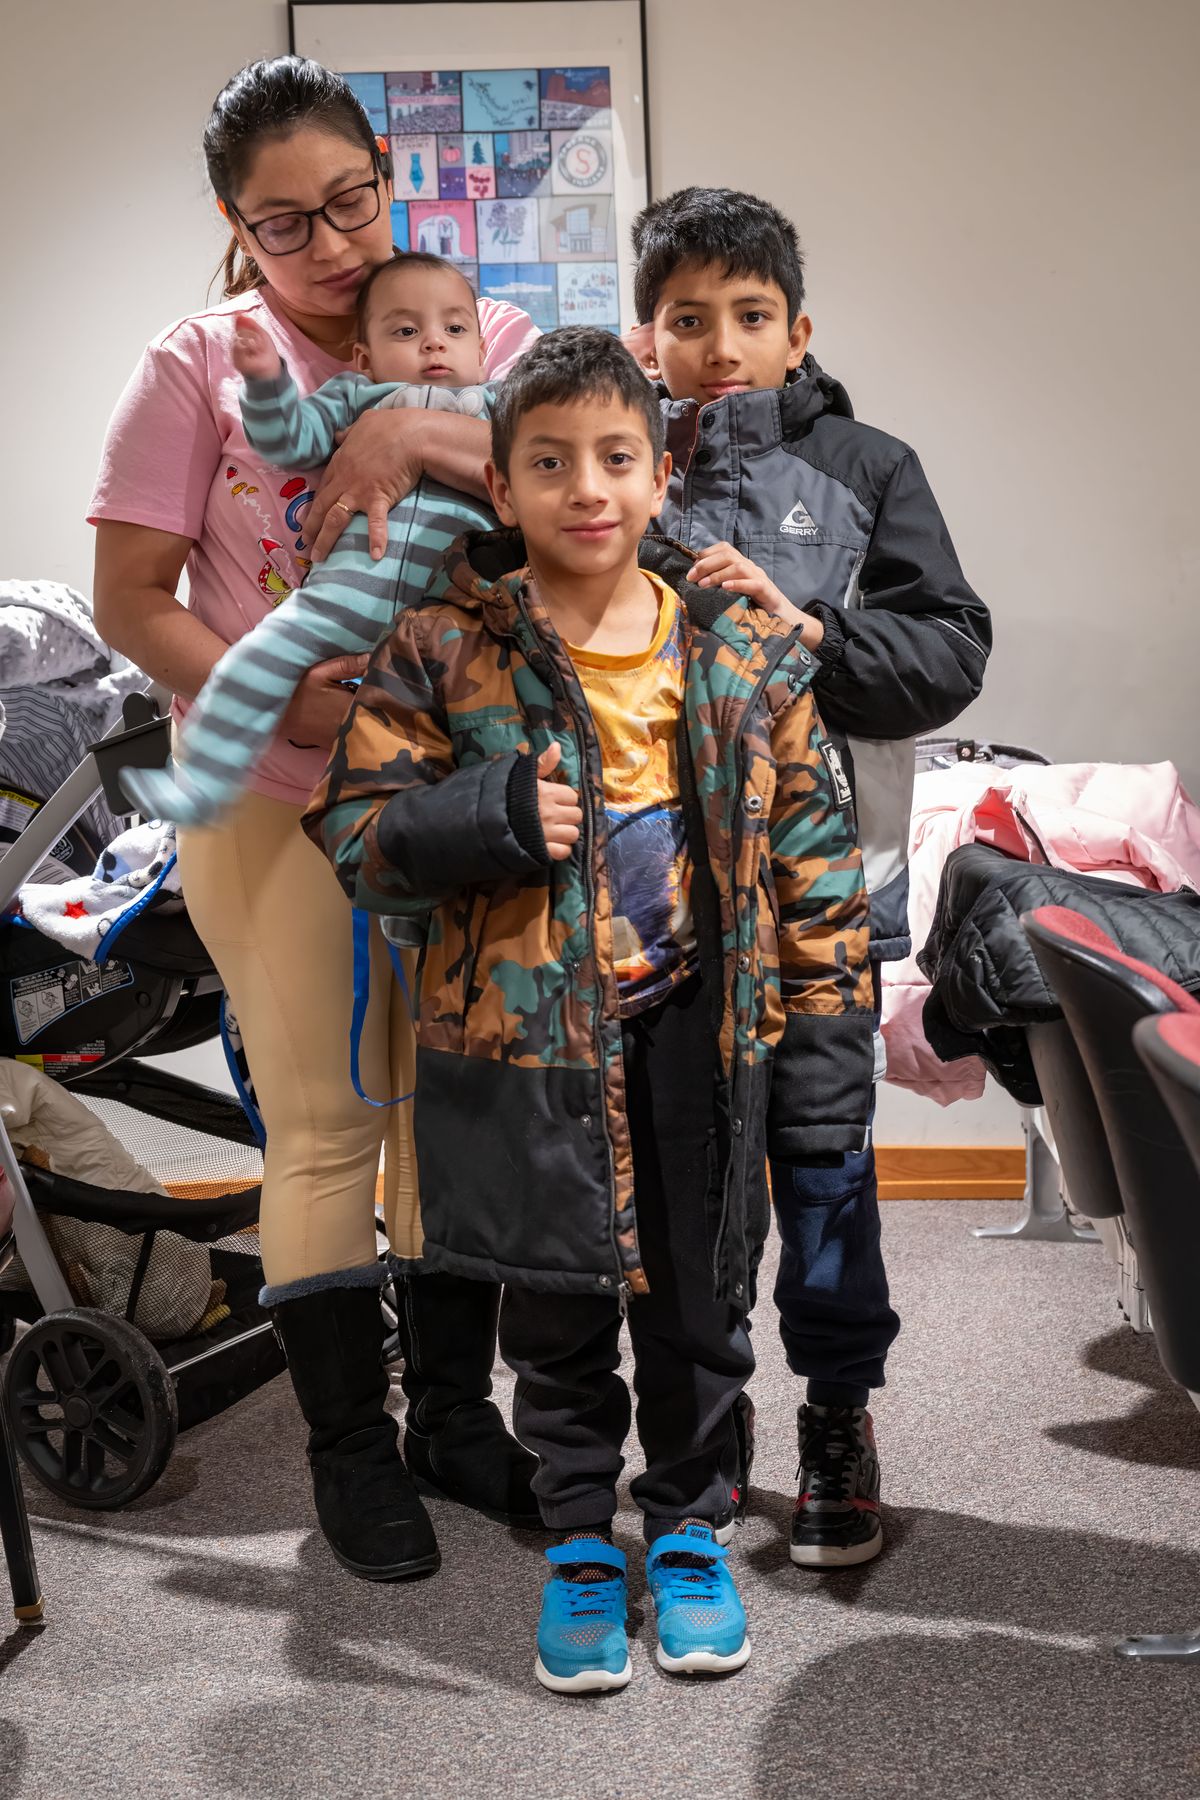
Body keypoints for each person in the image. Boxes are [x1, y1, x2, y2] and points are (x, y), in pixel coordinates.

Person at [304, 327, 875, 1691]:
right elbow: (354, 836)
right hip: (519, 1043)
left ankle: (684, 1528)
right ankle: (576, 1538)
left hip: (699, 1030)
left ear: (661, 471)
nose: (586, 488)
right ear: (499, 486)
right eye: (548, 462)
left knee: (693, 1304)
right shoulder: (443, 645)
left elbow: (815, 861)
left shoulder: (737, 648)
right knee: (555, 1308)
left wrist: (826, 1055)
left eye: (616, 457)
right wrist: (488, 816)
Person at [89, 55, 542, 1585]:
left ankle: (455, 1426)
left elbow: (586, 488)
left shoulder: (484, 333)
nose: (336, 245)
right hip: (278, 802)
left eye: (353, 199)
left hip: (455, 798)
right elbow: (130, 601)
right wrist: (275, 697)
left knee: (455, 1120)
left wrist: (415, 432)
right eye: (288, 224)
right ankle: (353, 1451)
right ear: (237, 225)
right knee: (332, 1121)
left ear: (386, 177)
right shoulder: (195, 367)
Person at [630, 186, 992, 1568]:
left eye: (751, 317)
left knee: (826, 1167)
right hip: (657, 907)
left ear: (799, 331)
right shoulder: (620, 468)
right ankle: (703, 1441)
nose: (722, 344)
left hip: (826, 902)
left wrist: (809, 627)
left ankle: (838, 1418)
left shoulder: (871, 466)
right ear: (647, 333)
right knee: (686, 1181)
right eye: (688, 319)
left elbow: (950, 652)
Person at [122, 253, 498, 828]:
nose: (433, 344)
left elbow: (547, 468)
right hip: (335, 605)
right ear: (364, 358)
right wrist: (267, 384)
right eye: (406, 330)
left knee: (446, 763)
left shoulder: (500, 408)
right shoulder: (356, 396)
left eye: (454, 328)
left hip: (451, 626)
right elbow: (286, 442)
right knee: (249, 668)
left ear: (481, 347)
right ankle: (199, 791)